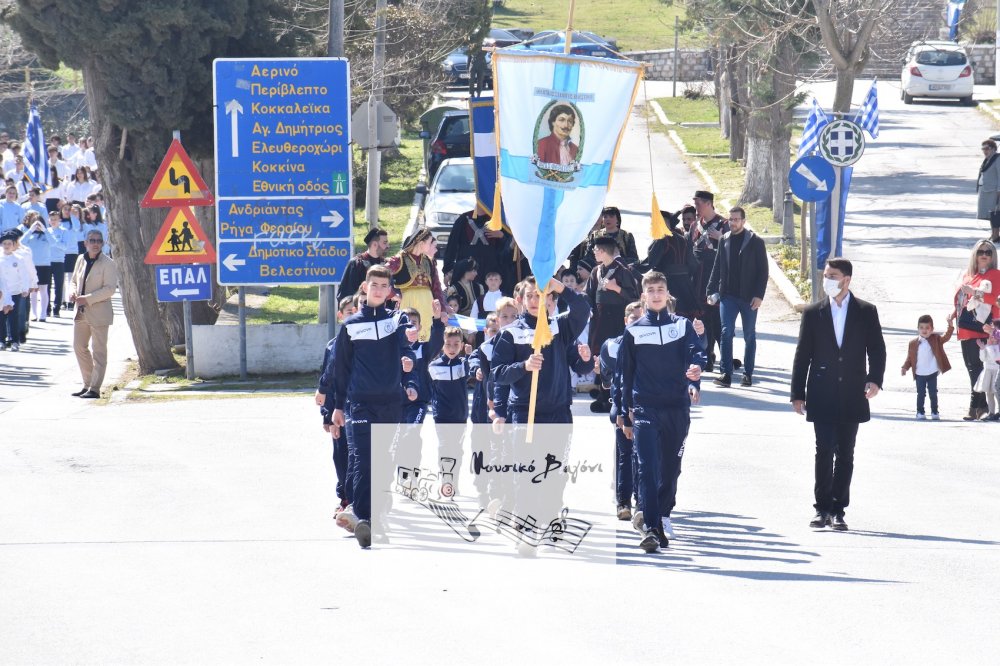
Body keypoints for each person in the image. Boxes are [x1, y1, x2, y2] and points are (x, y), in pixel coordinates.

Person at [791, 257, 886, 531]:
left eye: (832, 276)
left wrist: (875, 380)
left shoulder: (866, 311)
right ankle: (821, 508)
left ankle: (838, 509)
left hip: (853, 391)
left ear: (846, 280)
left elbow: (877, 349)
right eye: (825, 276)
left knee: (846, 452)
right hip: (821, 391)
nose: (827, 281)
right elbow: (802, 355)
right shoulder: (813, 312)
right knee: (824, 449)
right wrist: (797, 393)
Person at [331, 264, 417, 548]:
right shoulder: (352, 325)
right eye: (374, 285)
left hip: (391, 402)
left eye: (384, 286)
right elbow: (340, 369)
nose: (378, 290)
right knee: (364, 458)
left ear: (389, 290)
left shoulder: (396, 320)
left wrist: (408, 356)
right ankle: (365, 519)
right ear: (365, 288)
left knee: (382, 461)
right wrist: (337, 407)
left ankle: (370, 515)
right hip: (360, 403)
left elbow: (407, 340)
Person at [620, 271, 706, 553]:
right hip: (645, 406)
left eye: (660, 289)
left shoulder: (682, 326)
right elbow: (625, 374)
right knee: (647, 466)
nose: (656, 294)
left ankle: (664, 513)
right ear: (644, 296)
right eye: (651, 290)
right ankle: (652, 527)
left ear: (667, 294)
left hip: (676, 406)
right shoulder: (633, 331)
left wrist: (695, 373)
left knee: (670, 468)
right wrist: (624, 411)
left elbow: (696, 353)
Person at [491, 276, 591, 424]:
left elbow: (583, 309)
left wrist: (560, 287)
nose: (533, 300)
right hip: (525, 412)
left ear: (548, 298)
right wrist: (524, 366)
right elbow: (497, 374)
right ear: (521, 300)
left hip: (559, 411)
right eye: (529, 296)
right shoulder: (510, 333)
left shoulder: (560, 327)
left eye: (538, 295)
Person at [706, 206, 768, 388]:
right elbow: (717, 267)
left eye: (736, 219)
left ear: (743, 221)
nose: (732, 223)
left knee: (749, 335)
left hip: (749, 298)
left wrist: (759, 295)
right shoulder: (724, 240)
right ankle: (726, 373)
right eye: (730, 219)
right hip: (728, 296)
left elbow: (763, 272)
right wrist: (710, 291)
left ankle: (747, 373)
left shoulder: (755, 242)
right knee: (726, 332)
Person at [316, 297, 360, 518]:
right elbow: (328, 379)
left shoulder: (367, 344)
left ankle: (357, 502)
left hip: (359, 407)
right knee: (341, 456)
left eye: (356, 310)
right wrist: (327, 414)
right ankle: (344, 498)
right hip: (338, 412)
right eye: (348, 311)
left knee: (357, 456)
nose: (353, 314)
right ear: (340, 315)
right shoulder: (332, 346)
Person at [600, 300, 644, 521]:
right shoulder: (612, 345)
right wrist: (620, 410)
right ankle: (623, 502)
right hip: (622, 407)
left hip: (645, 406)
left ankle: (641, 500)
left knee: (642, 456)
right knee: (625, 454)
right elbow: (608, 379)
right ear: (625, 320)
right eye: (633, 318)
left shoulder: (650, 344)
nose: (637, 322)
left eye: (640, 318)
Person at [586, 234, 639, 412]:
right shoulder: (596, 271)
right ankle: (602, 393)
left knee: (615, 356)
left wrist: (616, 288)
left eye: (596, 250)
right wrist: (590, 309)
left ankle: (613, 398)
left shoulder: (623, 270)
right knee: (599, 356)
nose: (594, 253)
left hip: (617, 318)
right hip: (600, 318)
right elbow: (589, 295)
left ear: (603, 251)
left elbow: (634, 298)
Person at [952, 240, 1000, 421]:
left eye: (988, 252)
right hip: (965, 327)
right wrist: (953, 314)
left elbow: (993, 297)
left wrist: (973, 291)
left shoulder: (995, 274)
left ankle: (975, 406)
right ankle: (980, 406)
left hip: (985, 328)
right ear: (975, 254)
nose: (984, 255)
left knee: (980, 369)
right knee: (972, 368)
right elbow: (963, 301)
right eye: (981, 251)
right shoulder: (968, 275)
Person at [69, 229, 118, 397]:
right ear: (86, 243)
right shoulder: (80, 259)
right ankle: (87, 384)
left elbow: (110, 289)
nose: (95, 243)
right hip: (81, 313)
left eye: (98, 240)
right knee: (79, 347)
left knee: (99, 352)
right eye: (92, 240)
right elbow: (74, 280)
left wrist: (87, 298)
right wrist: (72, 292)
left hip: (99, 313)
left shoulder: (109, 263)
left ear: (103, 244)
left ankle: (95, 389)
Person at [688, 190, 728, 372]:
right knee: (702, 319)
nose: (696, 208)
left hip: (716, 277)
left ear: (709, 203)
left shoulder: (724, 224)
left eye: (699, 204)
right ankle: (707, 356)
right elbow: (689, 250)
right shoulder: (695, 225)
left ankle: (726, 360)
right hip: (698, 279)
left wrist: (721, 239)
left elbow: (733, 253)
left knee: (718, 321)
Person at [634, 209, 699, 319]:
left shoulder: (662, 239)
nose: (651, 226)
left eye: (653, 223)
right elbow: (693, 264)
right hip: (685, 286)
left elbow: (648, 264)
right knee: (686, 319)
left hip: (668, 284)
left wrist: (631, 267)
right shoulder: (682, 239)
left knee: (668, 316)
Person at [387, 229, 448, 343]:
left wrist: (443, 309)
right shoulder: (399, 259)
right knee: (407, 336)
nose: (431, 246)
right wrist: (393, 294)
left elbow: (436, 287)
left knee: (427, 339)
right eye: (430, 242)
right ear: (421, 243)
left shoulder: (429, 261)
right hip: (408, 303)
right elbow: (381, 273)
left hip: (428, 305)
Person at [901, 314, 953, 420]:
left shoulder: (936, 339)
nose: (924, 330)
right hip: (919, 373)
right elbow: (910, 358)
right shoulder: (913, 343)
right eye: (921, 328)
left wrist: (950, 326)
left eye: (927, 328)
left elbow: (946, 337)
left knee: (933, 393)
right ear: (918, 329)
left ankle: (934, 411)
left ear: (932, 329)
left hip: (932, 372)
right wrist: (905, 367)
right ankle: (920, 412)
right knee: (921, 393)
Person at [20, 211, 63, 323]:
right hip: (32, 266)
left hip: (44, 265)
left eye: (39, 223)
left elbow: (54, 243)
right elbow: (21, 242)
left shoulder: (47, 234)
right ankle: (34, 314)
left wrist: (44, 229)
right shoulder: (29, 234)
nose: (37, 226)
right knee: (33, 291)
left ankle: (43, 313)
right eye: (35, 223)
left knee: (43, 290)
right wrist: (31, 230)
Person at [0, 231, 35, 351]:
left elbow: (24, 275)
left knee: (13, 317)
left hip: (15, 291)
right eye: (4, 243)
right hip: (2, 293)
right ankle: (2, 340)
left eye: (9, 243)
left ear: (14, 244)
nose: (6, 246)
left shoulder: (18, 259)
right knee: (1, 317)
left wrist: (25, 288)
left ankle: (15, 341)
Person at [338, 227, 387, 301]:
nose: (388, 246)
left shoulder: (387, 264)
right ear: (374, 244)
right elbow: (346, 295)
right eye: (385, 243)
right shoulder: (356, 264)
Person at [978, 139, 1000, 241]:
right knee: (991, 214)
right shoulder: (988, 159)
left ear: (993, 149)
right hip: (987, 191)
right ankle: (993, 234)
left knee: (996, 213)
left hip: (994, 192)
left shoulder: (997, 158)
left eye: (987, 148)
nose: (985, 151)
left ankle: (996, 235)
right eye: (983, 149)